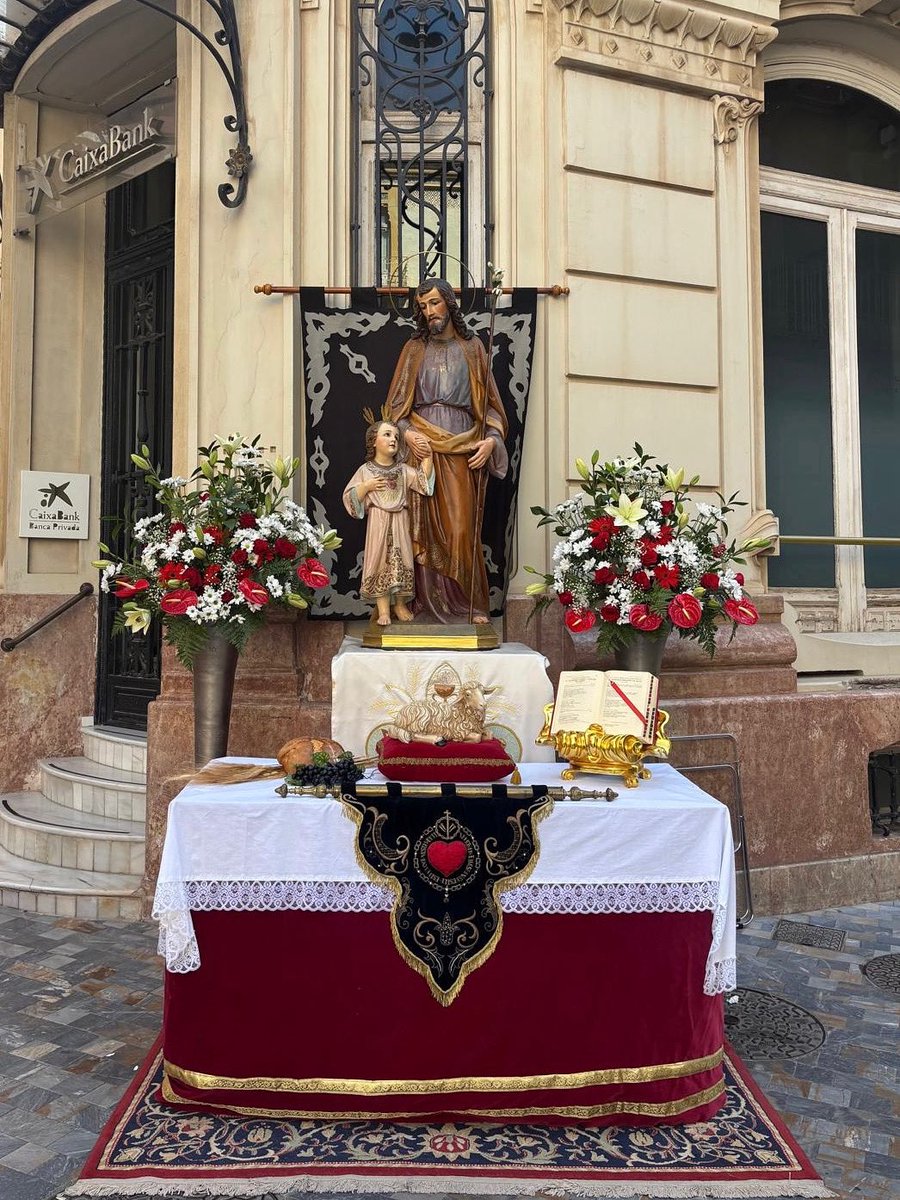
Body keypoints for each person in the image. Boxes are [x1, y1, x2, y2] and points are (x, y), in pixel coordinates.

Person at [387, 278, 508, 624]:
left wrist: (491, 441)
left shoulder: (473, 350)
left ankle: (464, 606)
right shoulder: (413, 349)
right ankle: (424, 606)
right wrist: (407, 433)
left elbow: (492, 409)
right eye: (423, 307)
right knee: (416, 528)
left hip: (461, 445)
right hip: (421, 446)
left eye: (435, 304)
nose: (429, 312)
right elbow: (395, 406)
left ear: (450, 304)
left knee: (460, 528)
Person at [343, 420, 434, 626]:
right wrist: (366, 486)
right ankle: (383, 610)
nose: (393, 439)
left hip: (400, 520)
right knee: (379, 562)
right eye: (387, 435)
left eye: (395, 436)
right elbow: (349, 497)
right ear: (373, 441)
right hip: (378, 521)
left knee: (402, 561)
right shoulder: (366, 470)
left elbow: (422, 483)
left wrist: (428, 457)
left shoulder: (402, 470)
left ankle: (400, 605)